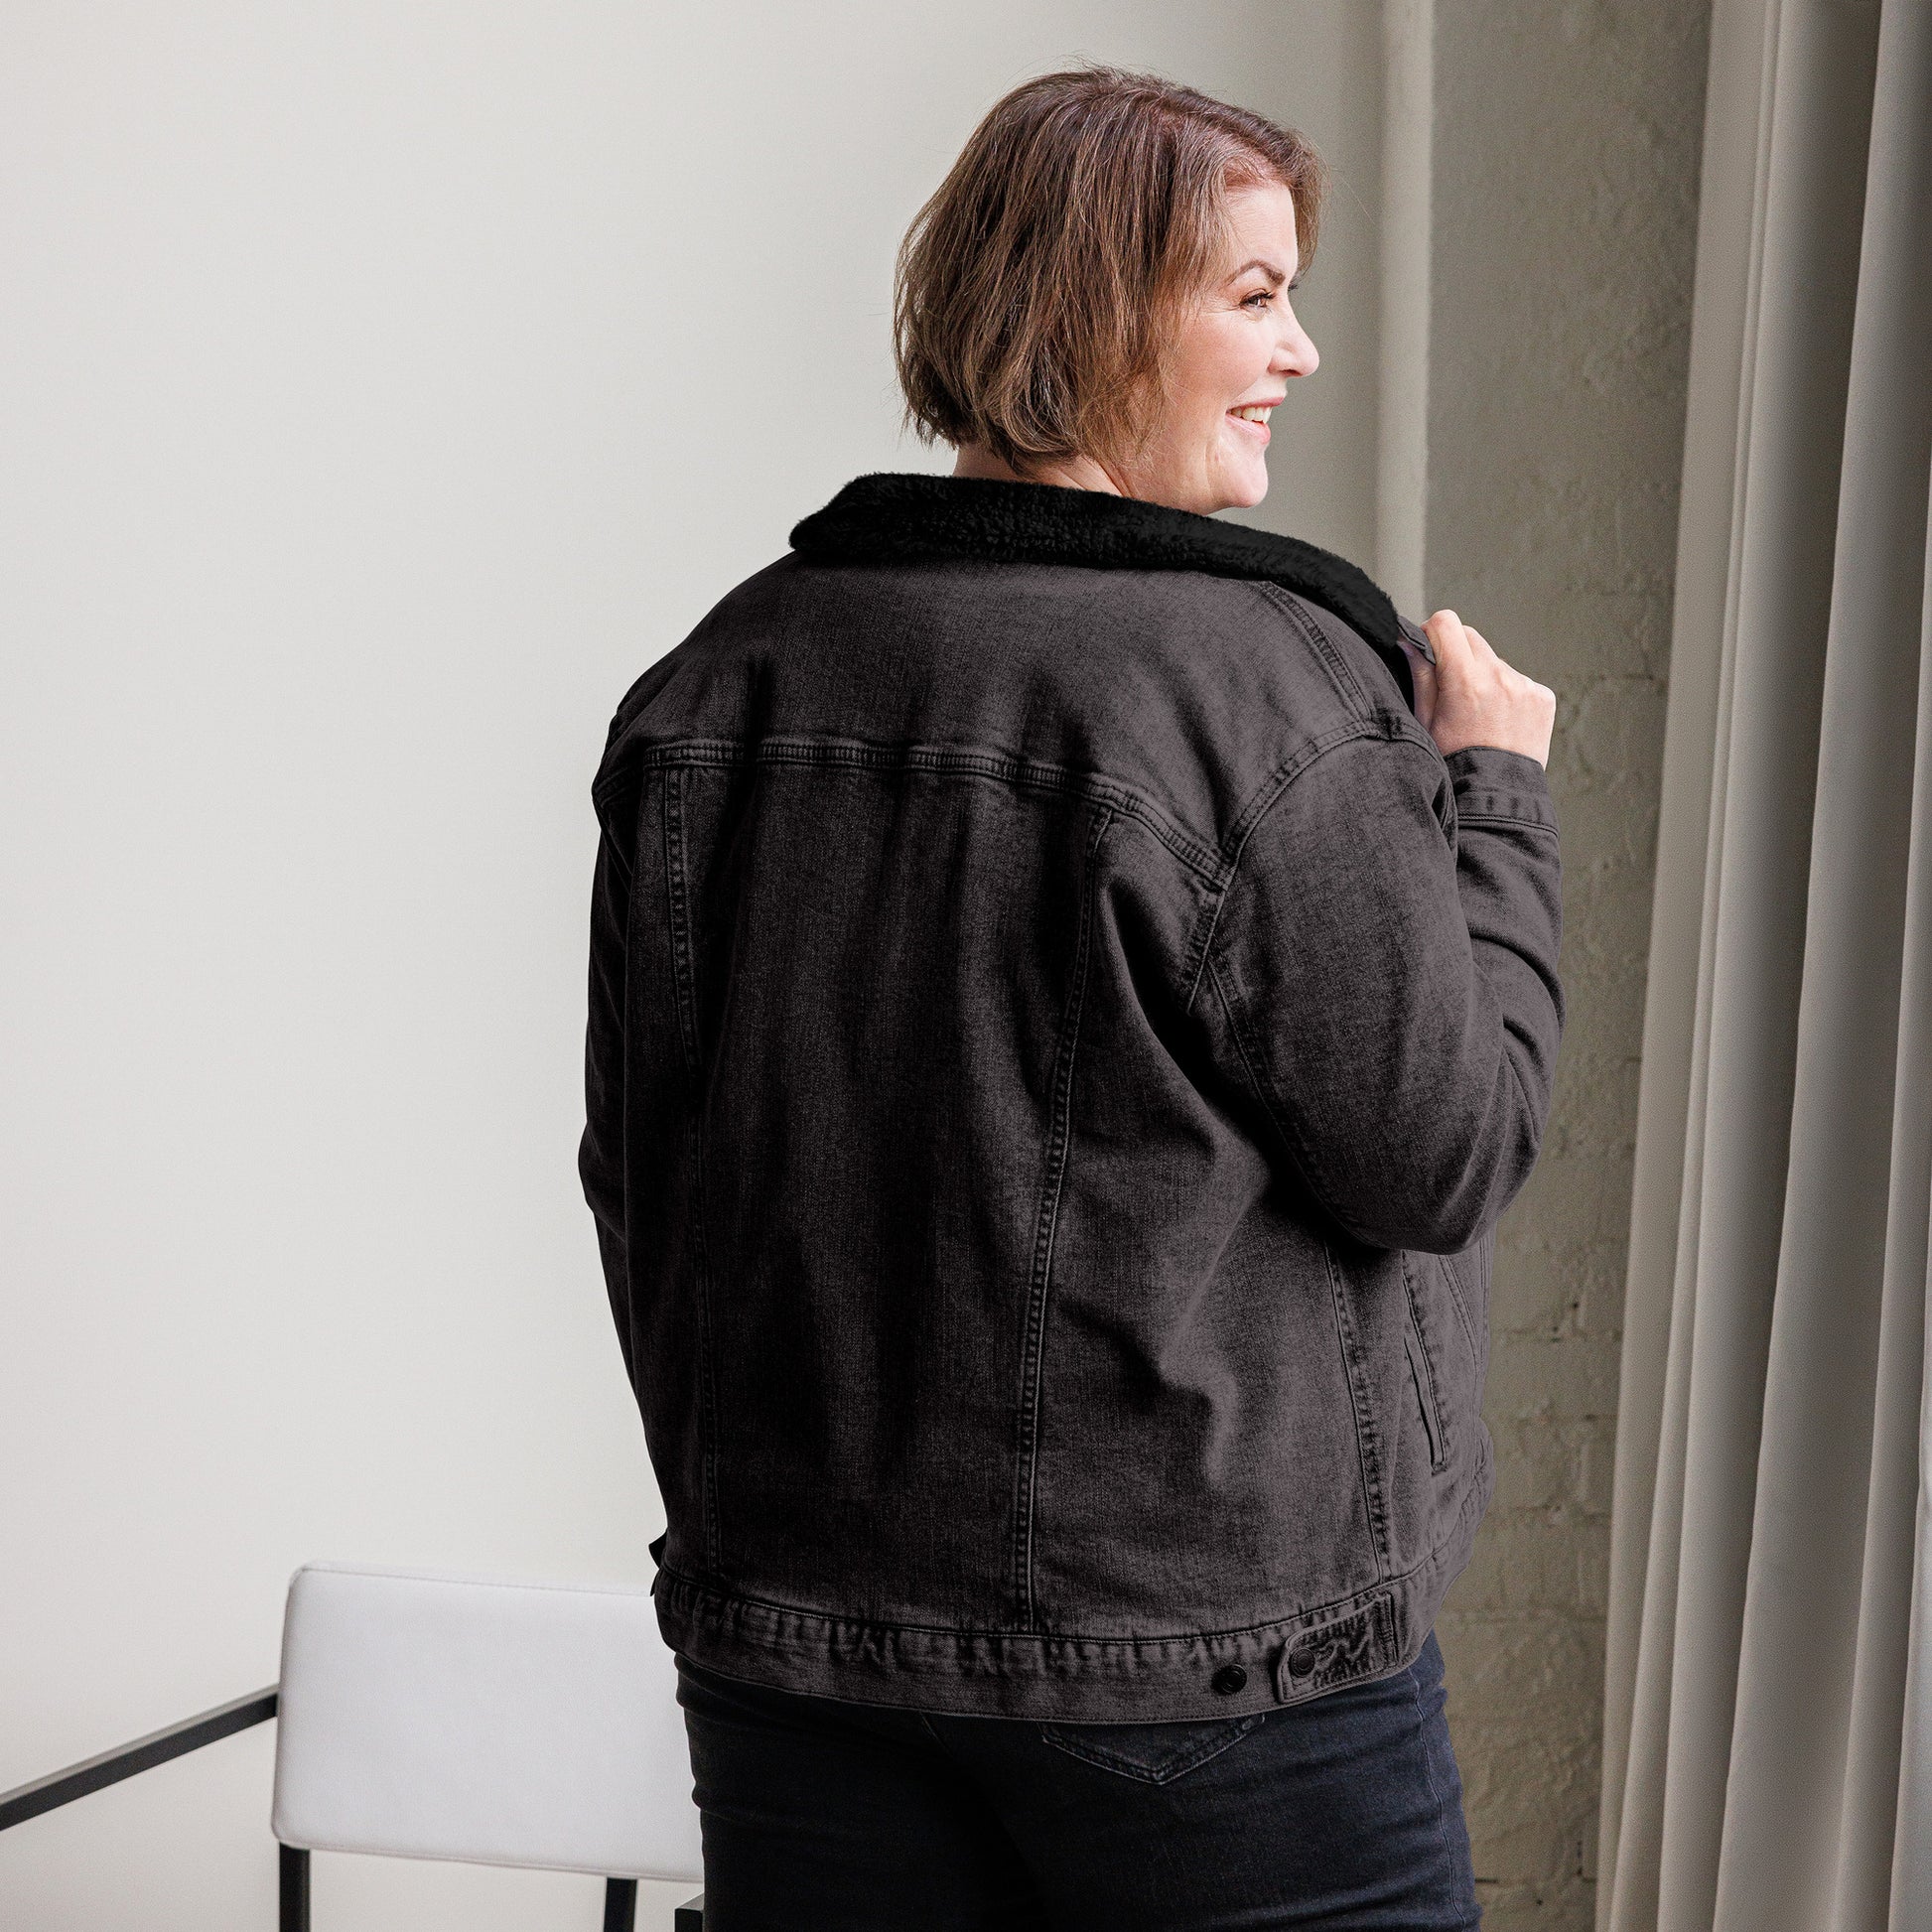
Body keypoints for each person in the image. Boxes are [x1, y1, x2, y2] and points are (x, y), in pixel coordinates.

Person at [580, 65, 1560, 1931]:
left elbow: (643, 1178)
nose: (1301, 351)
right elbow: (1440, 1154)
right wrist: (1495, 796)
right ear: (1097, 313)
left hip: (799, 1663)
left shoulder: (715, 681)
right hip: (1219, 1678)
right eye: (1253, 296)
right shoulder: (1266, 691)